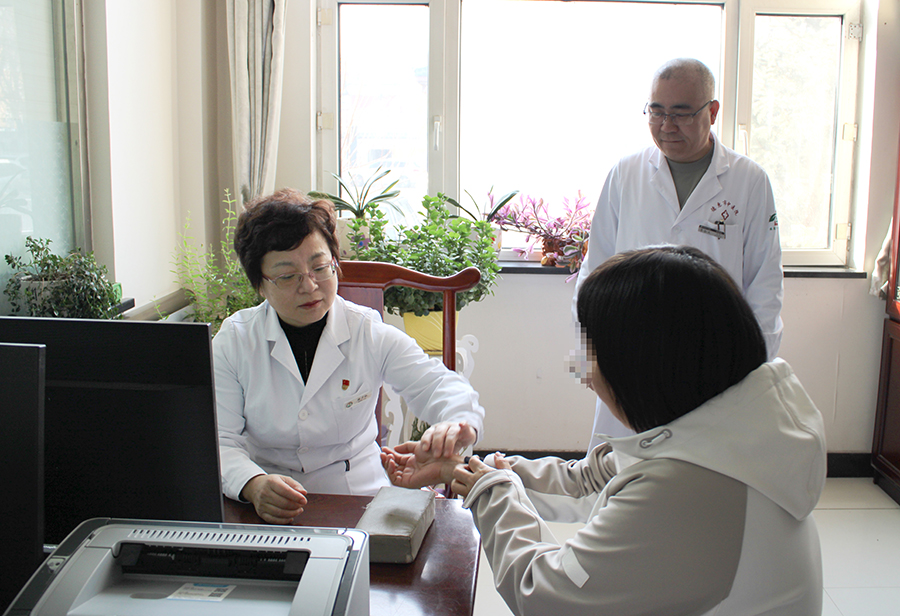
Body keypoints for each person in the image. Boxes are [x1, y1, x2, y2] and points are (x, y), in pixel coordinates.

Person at [384, 246, 825, 616]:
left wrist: (491, 492)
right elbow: (589, 483)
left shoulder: (694, 488)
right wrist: (465, 469)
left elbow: (548, 595)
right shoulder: (728, 433)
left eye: (593, 354)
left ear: (648, 364)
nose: (585, 376)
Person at [214, 188, 484, 524]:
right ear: (259, 284)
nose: (309, 286)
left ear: (335, 263)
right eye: (287, 276)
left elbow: (438, 385)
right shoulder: (236, 340)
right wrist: (252, 483)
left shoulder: (366, 332)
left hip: (358, 496)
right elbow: (219, 439)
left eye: (320, 267)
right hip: (267, 503)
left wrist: (458, 424)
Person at [574, 58, 783, 442]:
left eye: (681, 114)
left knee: (702, 464)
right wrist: (587, 348)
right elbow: (596, 266)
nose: (667, 125)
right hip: (632, 354)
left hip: (713, 358)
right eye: (656, 112)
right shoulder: (626, 173)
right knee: (619, 464)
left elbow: (764, 280)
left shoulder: (749, 181)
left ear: (712, 112)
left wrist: (756, 363)